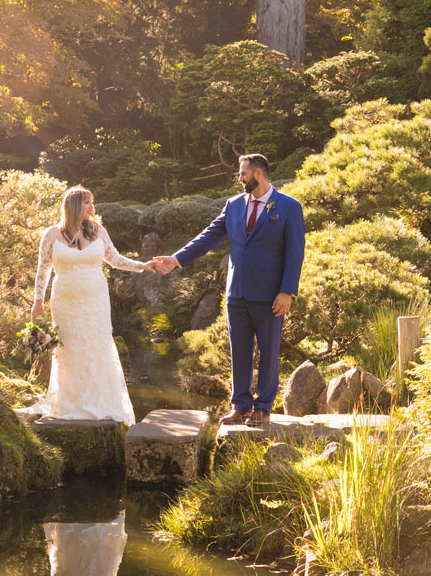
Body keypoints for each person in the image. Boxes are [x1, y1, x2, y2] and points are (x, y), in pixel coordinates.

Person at [155, 154, 305, 426]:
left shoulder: (288, 207)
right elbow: (208, 237)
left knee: (269, 351)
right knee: (239, 350)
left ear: (258, 174)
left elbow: (295, 253)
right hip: (236, 293)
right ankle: (241, 406)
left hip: (270, 294)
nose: (239, 178)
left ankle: (263, 407)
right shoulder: (233, 205)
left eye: (243, 173)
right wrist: (176, 259)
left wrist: (287, 291)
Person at [31, 186, 157, 425]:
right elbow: (43, 270)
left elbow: (115, 259)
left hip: (96, 299)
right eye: (87, 203)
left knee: (97, 346)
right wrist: (38, 302)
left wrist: (141, 265)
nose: (92, 208)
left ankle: (101, 402)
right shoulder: (51, 234)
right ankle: (69, 403)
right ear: (73, 206)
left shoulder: (98, 231)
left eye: (91, 203)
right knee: (69, 348)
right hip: (65, 300)